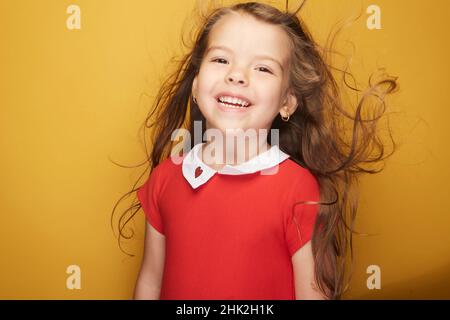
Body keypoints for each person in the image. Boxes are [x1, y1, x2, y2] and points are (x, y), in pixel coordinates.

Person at [113, 1, 398, 300]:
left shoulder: (298, 189)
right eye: (222, 60)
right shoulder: (165, 178)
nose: (237, 75)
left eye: (262, 67)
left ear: (287, 102)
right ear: (196, 86)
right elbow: (150, 282)